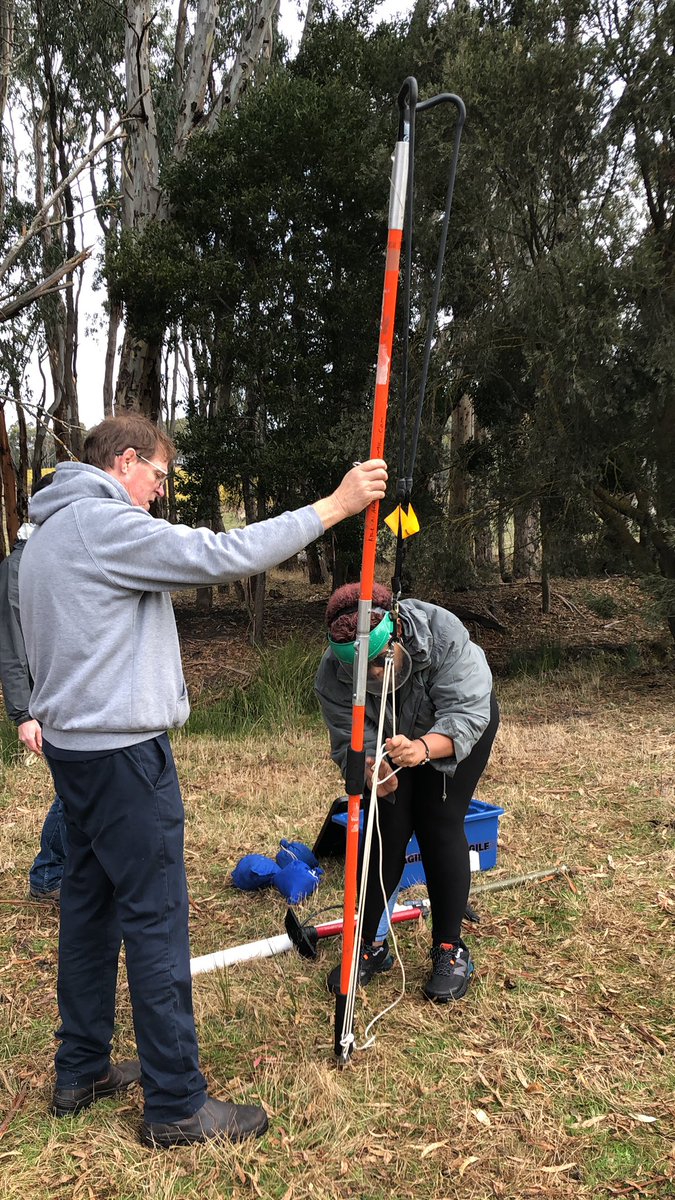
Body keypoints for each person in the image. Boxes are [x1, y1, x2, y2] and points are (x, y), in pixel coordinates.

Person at [18, 413, 387, 1148]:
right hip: (123, 759)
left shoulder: (47, 534)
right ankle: (177, 1106)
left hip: (77, 754)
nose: (158, 492)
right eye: (157, 475)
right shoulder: (101, 524)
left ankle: (82, 1068)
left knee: (89, 911)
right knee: (155, 921)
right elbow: (222, 554)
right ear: (125, 462)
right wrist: (336, 505)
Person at [314, 581, 499, 1003]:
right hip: (393, 736)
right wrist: (374, 770)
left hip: (457, 723)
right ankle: (371, 946)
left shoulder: (442, 633)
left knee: (438, 820)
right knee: (387, 827)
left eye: (380, 663)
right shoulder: (332, 675)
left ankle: (450, 948)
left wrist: (422, 749)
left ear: (396, 633)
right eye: (361, 672)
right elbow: (349, 740)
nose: (374, 677)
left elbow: (468, 714)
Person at [0, 474, 68, 902]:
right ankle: (47, 876)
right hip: (42, 703)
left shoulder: (59, 556)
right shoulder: (18, 565)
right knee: (73, 792)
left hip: (67, 695)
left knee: (77, 789)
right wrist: (23, 714)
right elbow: (10, 645)